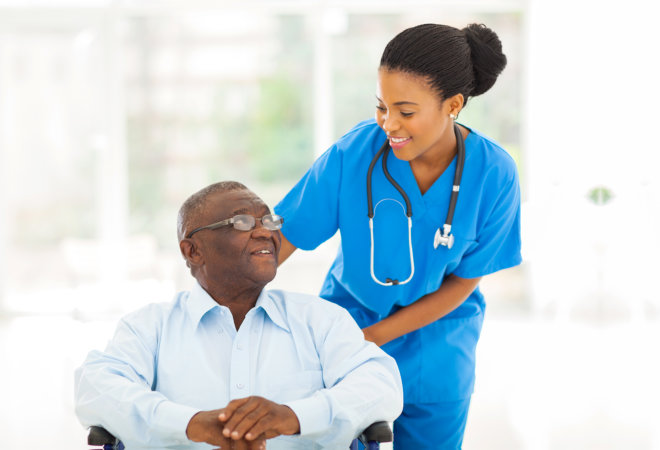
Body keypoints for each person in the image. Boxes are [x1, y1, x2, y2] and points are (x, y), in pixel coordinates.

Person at [275, 23, 521, 449]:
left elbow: (464, 281)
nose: (389, 124)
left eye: (405, 112)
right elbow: (282, 239)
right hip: (348, 332)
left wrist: (374, 338)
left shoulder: (494, 174)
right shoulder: (353, 155)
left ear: (454, 105)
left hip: (438, 345)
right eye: (381, 107)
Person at [74, 181, 403, 450]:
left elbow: (380, 384)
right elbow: (97, 388)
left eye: (269, 221)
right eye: (242, 222)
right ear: (193, 250)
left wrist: (292, 417)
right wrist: (193, 425)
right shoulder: (149, 326)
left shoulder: (320, 319)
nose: (265, 232)